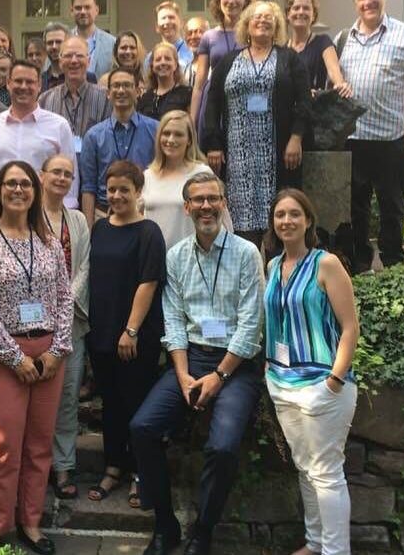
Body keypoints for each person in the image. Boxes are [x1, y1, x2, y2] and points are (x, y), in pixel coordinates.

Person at [130, 172, 264, 555]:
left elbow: (251, 325)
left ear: (224, 204)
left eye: (213, 198)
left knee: (222, 448)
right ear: (187, 208)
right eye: (198, 200)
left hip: (235, 365)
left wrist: (219, 376)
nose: (206, 206)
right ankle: (165, 526)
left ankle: (202, 531)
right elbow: (173, 320)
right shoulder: (176, 256)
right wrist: (183, 374)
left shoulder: (246, 253)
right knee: (142, 428)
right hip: (190, 358)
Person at [0, 161, 73, 554]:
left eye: (25, 183)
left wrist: (57, 351)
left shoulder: (48, 242)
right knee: (4, 443)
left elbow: (65, 298)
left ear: (35, 190)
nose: (18, 190)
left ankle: (31, 522)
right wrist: (15, 359)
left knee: (40, 444)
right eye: (10, 183)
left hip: (48, 354)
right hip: (3, 355)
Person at [263, 188, 360, 555]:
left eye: (294, 214)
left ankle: (336, 551)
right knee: (305, 468)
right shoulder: (273, 266)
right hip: (282, 384)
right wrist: (270, 372)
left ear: (308, 221)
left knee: (327, 473)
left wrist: (334, 381)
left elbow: (350, 327)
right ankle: (315, 543)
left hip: (322, 385)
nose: (286, 221)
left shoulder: (326, 264)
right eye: (280, 215)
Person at [86, 160, 166, 509]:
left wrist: (130, 330)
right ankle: (113, 466)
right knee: (111, 404)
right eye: (112, 190)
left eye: (124, 190)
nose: (117, 196)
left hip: (134, 336)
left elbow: (149, 283)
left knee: (137, 404)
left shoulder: (149, 232)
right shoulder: (99, 229)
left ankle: (140, 472)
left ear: (138, 192)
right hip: (101, 333)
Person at [339, 0, 404, 273]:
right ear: (355, 2)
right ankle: (360, 265)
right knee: (356, 208)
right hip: (353, 139)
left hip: (391, 139)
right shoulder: (344, 39)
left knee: (392, 206)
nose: (368, 2)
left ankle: (393, 265)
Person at [201, 0, 311, 243]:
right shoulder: (228, 61)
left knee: (279, 217)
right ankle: (247, 261)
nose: (262, 21)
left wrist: (296, 138)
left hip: (278, 154)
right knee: (241, 225)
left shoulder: (290, 59)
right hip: (238, 157)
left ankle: (277, 262)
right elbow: (213, 103)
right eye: (257, 17)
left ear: (277, 25)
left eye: (268, 17)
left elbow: (304, 102)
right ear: (247, 25)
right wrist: (214, 144)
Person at [39, 155, 91, 501]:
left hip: (70, 322)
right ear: (42, 176)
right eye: (56, 172)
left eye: (68, 174)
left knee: (68, 396)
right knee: (37, 398)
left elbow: (85, 265)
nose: (61, 178)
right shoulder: (28, 215)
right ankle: (36, 463)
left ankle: (63, 464)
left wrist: (65, 302)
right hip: (34, 323)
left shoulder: (78, 220)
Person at [0, 60, 78, 225]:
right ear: (8, 83)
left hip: (45, 219)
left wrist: (65, 224)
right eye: (18, 81)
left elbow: (70, 178)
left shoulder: (59, 126)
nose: (23, 86)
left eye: (30, 82)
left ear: (39, 85)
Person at [80, 68, 159, 227]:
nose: (121, 90)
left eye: (127, 85)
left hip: (144, 214)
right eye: (116, 86)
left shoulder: (155, 130)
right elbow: (88, 187)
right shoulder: (93, 136)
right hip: (104, 215)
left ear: (138, 91)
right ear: (108, 93)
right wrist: (89, 229)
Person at [190, 0, 255, 131]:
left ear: (246, 1)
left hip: (243, 103)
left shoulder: (253, 36)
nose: (231, 0)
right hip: (212, 103)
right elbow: (199, 85)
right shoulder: (209, 37)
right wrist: (192, 121)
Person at [142, 111, 215, 249]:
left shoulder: (202, 173)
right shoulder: (147, 176)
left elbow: (219, 220)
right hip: (154, 257)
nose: (171, 139)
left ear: (189, 140)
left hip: (190, 257)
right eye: (166, 133)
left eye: (178, 134)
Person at [38, 35, 111, 150]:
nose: (74, 61)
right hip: (57, 161)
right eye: (68, 56)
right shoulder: (45, 100)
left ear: (89, 61)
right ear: (60, 62)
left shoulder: (106, 98)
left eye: (79, 56)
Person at [286, 0, 351, 97]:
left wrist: (340, 84)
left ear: (313, 16)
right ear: (288, 15)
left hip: (312, 105)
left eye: (306, 8)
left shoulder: (323, 42)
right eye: (296, 8)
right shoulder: (282, 49)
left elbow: (334, 70)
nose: (301, 12)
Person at [137, 42, 192, 121]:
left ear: (175, 65)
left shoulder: (187, 94)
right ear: (152, 66)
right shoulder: (145, 98)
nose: (163, 62)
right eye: (158, 60)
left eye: (167, 59)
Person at [143, 1, 194, 82]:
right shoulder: (150, 59)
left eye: (171, 17)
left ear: (181, 23)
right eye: (163, 18)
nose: (167, 22)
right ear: (157, 27)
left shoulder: (192, 54)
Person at [71, 0, 116, 78]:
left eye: (87, 7)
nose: (83, 12)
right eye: (78, 8)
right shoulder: (64, 42)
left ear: (96, 10)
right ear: (72, 11)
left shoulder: (112, 43)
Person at [40, 22, 98, 91]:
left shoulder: (88, 78)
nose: (54, 47)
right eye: (50, 43)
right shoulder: (40, 80)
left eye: (58, 42)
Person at [184, 17, 210, 90]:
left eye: (199, 32)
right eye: (189, 33)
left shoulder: (215, 66)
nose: (193, 37)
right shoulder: (184, 70)